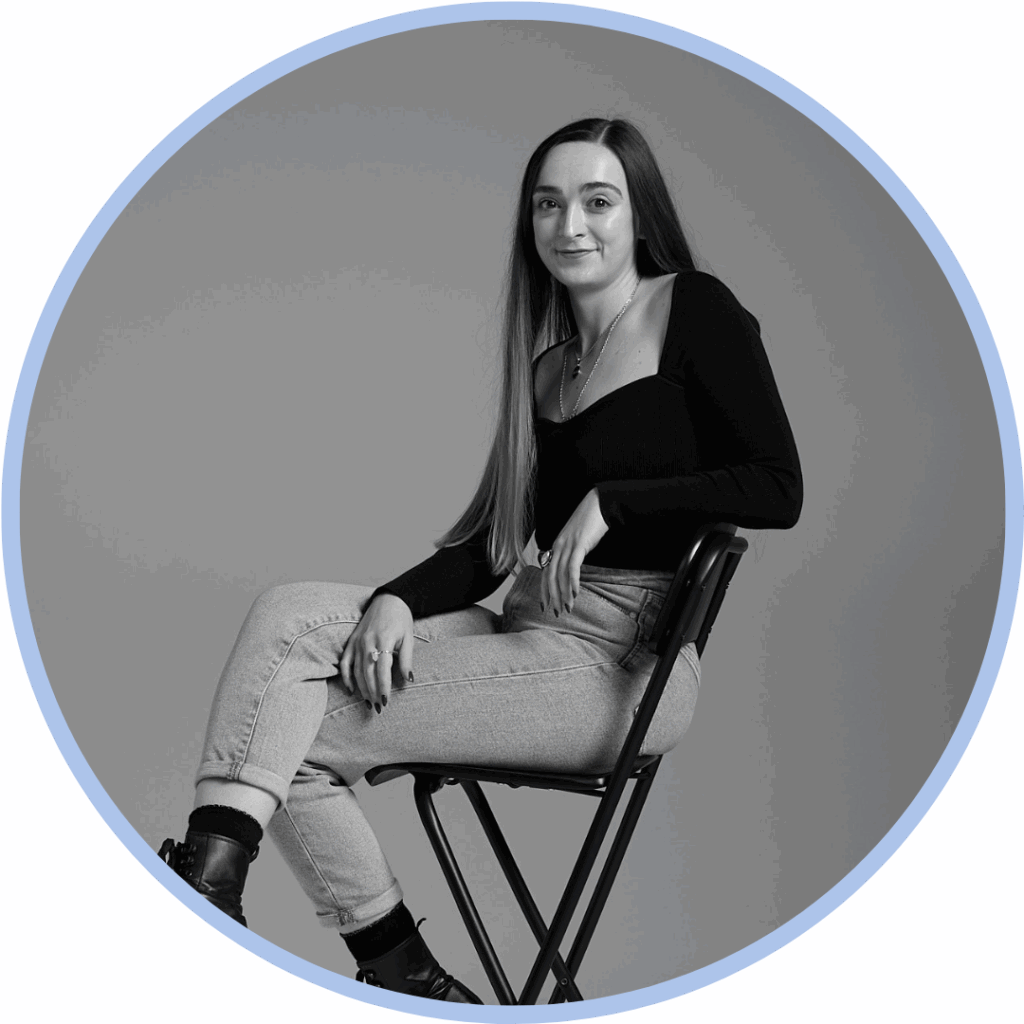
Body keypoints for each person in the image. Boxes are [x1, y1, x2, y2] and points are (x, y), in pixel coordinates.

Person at [158, 117, 802, 1003]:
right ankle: (221, 893)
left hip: (622, 668)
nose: (570, 225)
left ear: (638, 214)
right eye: (548, 204)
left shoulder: (695, 309)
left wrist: (616, 502)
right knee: (292, 612)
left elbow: (778, 487)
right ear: (529, 225)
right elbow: (493, 547)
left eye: (596, 201)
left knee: (289, 725)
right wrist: (391, 601)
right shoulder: (549, 370)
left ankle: (307, 938)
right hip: (530, 626)